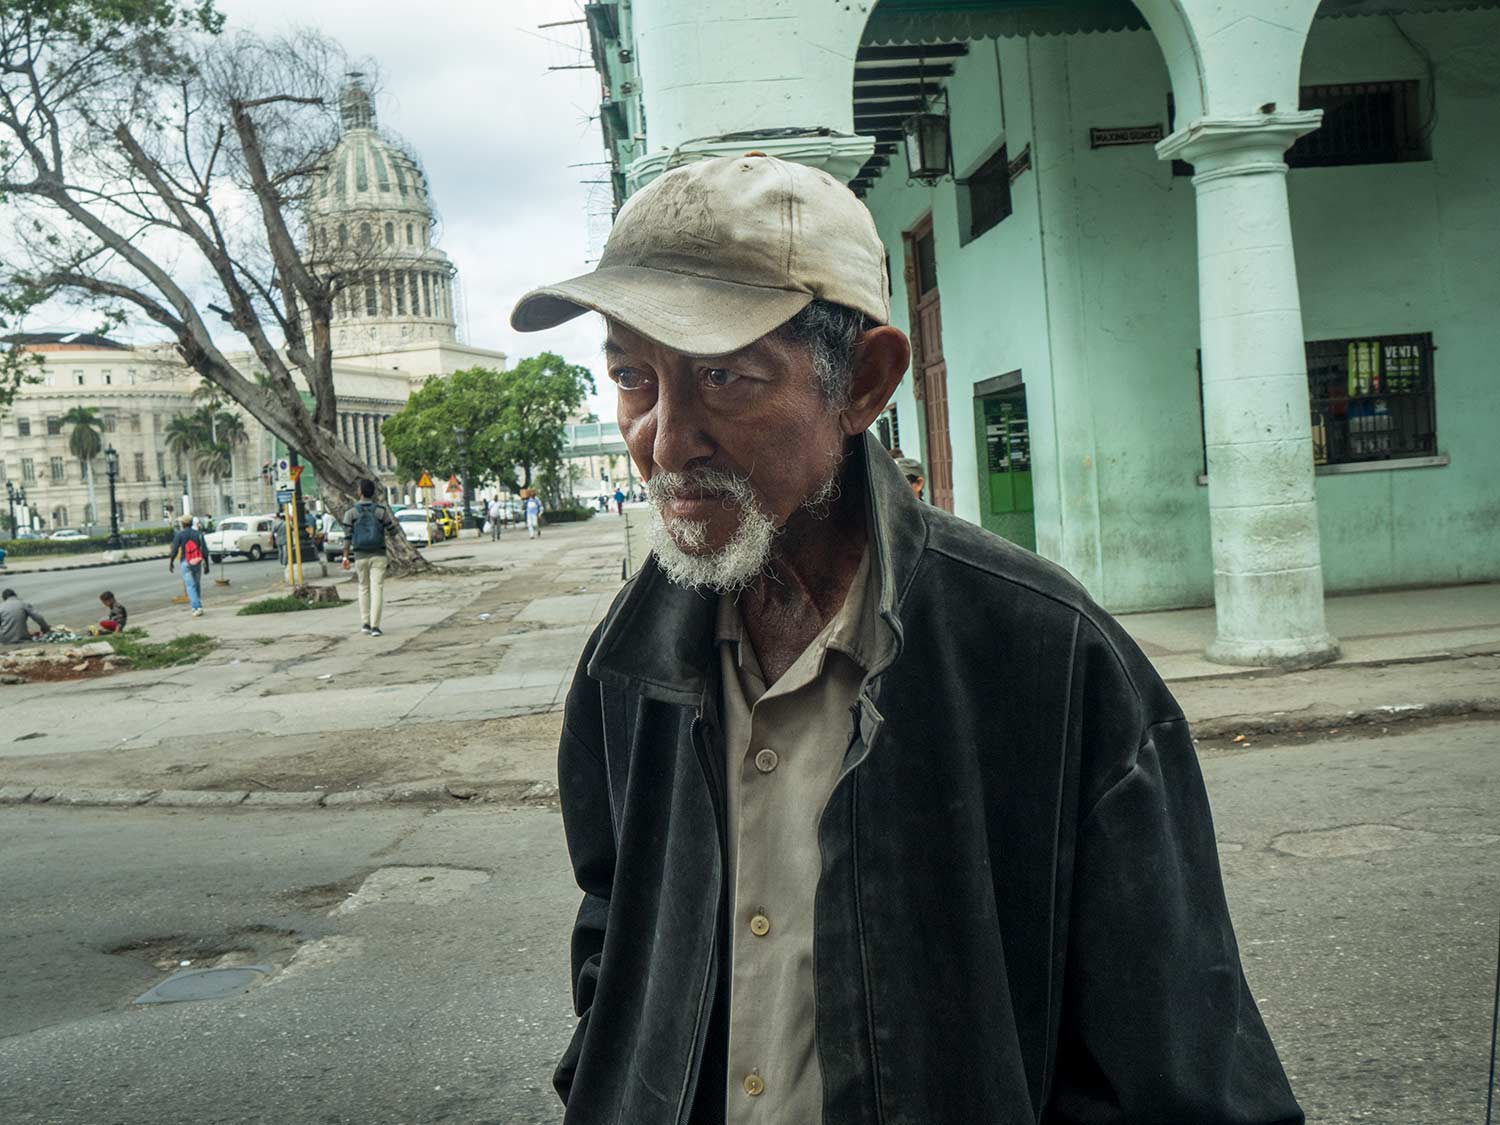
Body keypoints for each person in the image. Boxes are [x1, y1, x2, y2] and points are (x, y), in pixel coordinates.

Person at [510, 154, 1302, 1124]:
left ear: (866, 383)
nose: (666, 440)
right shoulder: (627, 664)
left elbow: (1187, 1062)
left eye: (723, 377)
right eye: (634, 378)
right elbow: (614, 931)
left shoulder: (1046, 659)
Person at [342, 478, 396, 637]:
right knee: (377, 588)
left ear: (360, 492)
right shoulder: (380, 510)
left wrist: (345, 556)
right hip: (379, 554)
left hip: (360, 555)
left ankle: (365, 623)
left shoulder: (351, 512)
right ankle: (375, 626)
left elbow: (347, 537)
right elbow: (393, 531)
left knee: (363, 587)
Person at [168, 513, 210, 617]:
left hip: (185, 562)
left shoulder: (179, 535)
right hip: (197, 561)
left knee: (190, 586)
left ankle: (196, 607)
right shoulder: (199, 534)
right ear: (191, 523)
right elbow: (205, 551)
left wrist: (171, 562)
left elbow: (174, 550)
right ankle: (198, 605)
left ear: (183, 523)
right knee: (196, 584)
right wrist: (207, 565)